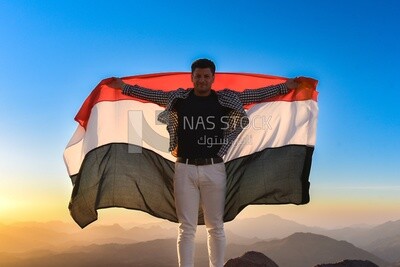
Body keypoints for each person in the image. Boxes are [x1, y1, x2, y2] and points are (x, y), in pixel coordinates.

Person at [109, 58, 298, 267]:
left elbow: (255, 94)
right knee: (186, 227)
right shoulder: (178, 99)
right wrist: (124, 87)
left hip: (214, 168)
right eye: (198, 76)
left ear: (213, 78)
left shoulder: (225, 99)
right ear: (192, 77)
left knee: (215, 226)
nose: (202, 80)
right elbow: (153, 95)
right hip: (184, 169)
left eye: (206, 76)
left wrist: (284, 87)